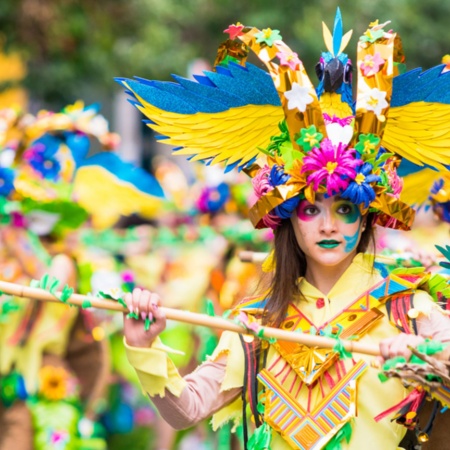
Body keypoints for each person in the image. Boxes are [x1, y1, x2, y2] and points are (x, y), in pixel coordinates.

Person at [118, 10, 450, 450]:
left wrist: (423, 359)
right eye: (311, 209)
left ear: (367, 217)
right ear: (288, 218)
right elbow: (188, 409)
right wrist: (144, 347)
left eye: (346, 209)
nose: (329, 225)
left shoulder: (408, 307)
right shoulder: (256, 319)